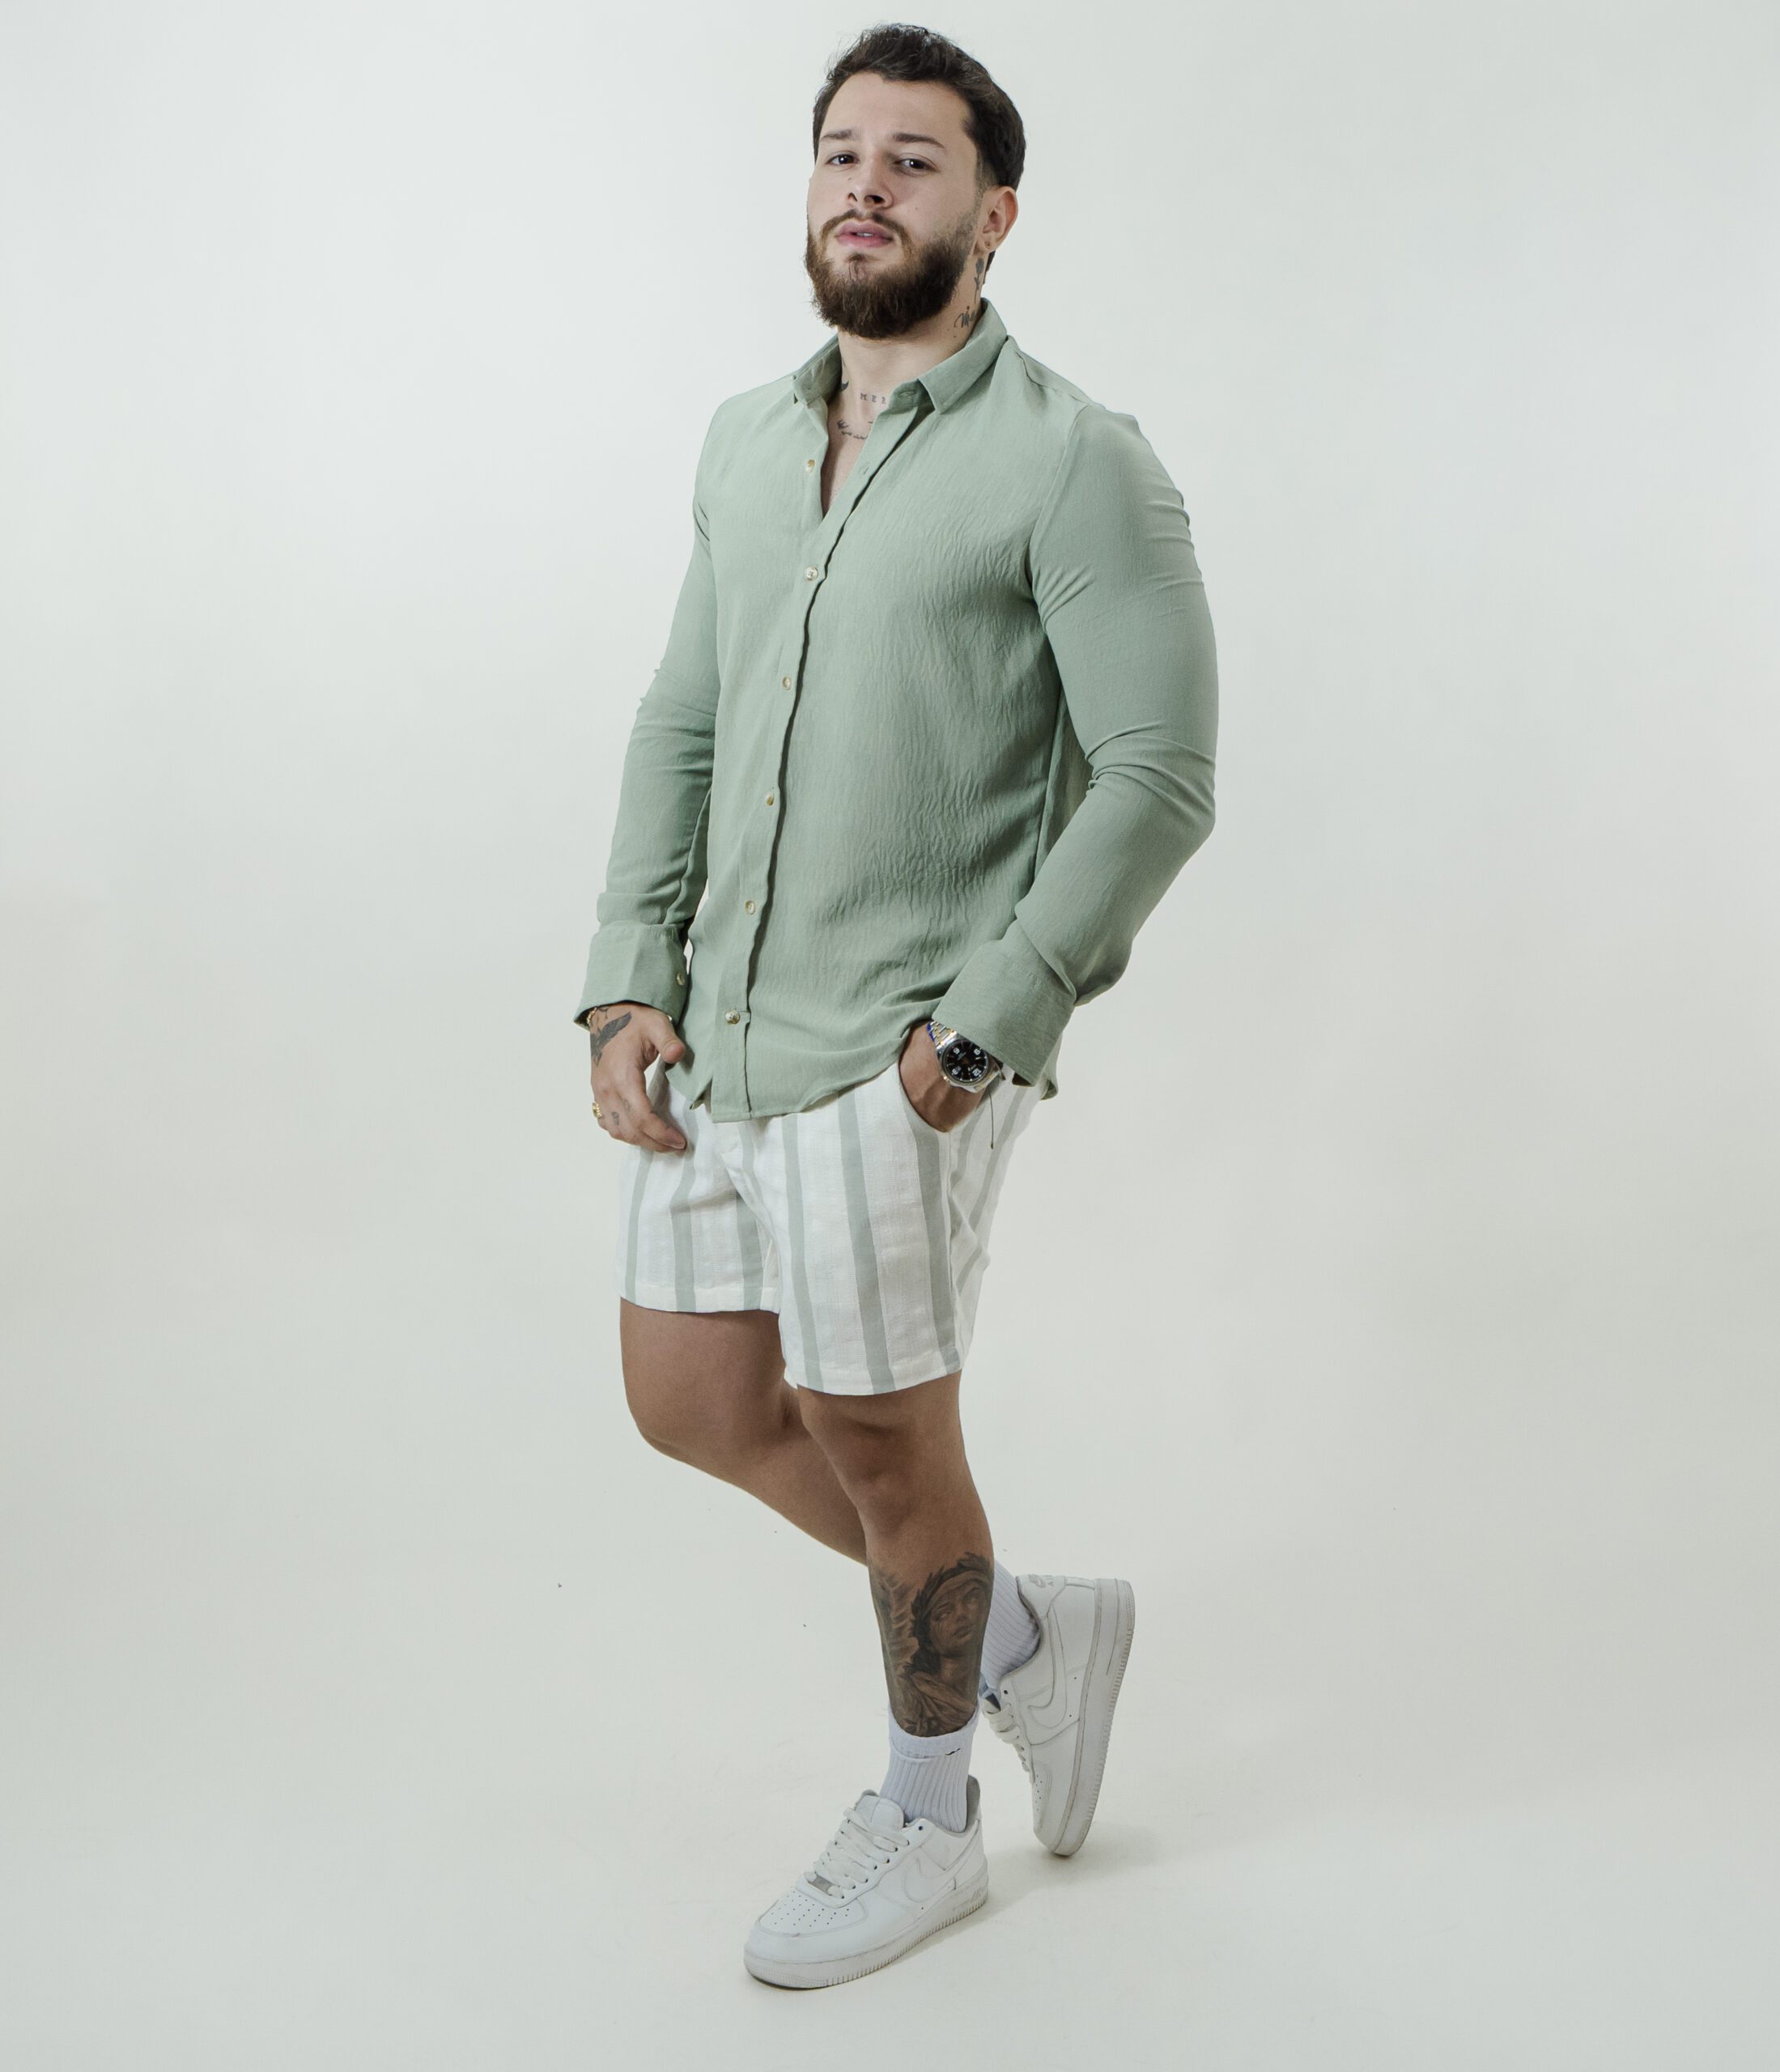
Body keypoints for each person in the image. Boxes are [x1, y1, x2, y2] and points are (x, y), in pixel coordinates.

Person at [572, 23, 1217, 1989]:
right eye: (839, 150)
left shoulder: (1076, 461)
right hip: (718, 1028)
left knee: (873, 1425)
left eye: (913, 159)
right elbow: (683, 718)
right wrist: (624, 973)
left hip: (899, 1045)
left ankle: (929, 1813)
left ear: (991, 215)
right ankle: (1026, 1634)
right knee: (689, 1396)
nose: (865, 183)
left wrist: (987, 1022)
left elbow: (1155, 775)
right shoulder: (743, 442)